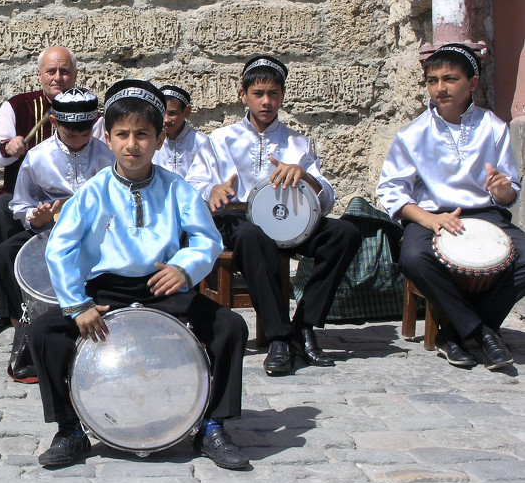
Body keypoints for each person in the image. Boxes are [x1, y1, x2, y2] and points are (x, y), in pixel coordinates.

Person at [27, 79, 250, 470]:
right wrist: (78, 304)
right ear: (108, 139)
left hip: (163, 287)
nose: (133, 144)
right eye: (123, 134)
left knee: (230, 326)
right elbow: (60, 247)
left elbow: (207, 239)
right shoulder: (92, 192)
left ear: (159, 139)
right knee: (44, 332)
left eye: (143, 134)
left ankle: (213, 425)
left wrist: (184, 267)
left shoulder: (177, 188)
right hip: (104, 291)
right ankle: (70, 430)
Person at [188, 56, 362, 376]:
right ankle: (280, 337)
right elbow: (194, 184)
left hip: (291, 217)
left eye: (273, 93)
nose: (266, 101)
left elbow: (325, 199)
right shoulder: (219, 140)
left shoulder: (298, 142)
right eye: (258, 93)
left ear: (282, 96)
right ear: (243, 95)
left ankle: (304, 325)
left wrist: (305, 176)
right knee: (254, 237)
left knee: (345, 234)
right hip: (238, 219)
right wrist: (212, 190)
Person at [376, 43, 524, 370]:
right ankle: (482, 332)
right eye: (432, 80)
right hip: (431, 216)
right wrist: (428, 219)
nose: (439, 88)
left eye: (450, 79)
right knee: (414, 257)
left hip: (486, 215)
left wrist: (501, 191)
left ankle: (454, 333)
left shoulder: (493, 127)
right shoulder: (412, 134)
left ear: (472, 83)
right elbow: (391, 190)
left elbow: (508, 192)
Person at [0, 88, 114, 333]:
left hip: (98, 232)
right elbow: (20, 204)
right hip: (50, 230)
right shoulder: (37, 156)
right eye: (70, 135)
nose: (78, 142)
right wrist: (36, 218)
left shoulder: (106, 155)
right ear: (54, 122)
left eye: (85, 135)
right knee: (2, 257)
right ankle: (22, 331)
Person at [0, 45, 77, 333]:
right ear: (40, 75)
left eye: (65, 71)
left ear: (74, 75)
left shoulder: (87, 107)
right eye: (51, 71)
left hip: (70, 199)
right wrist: (8, 148)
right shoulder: (17, 106)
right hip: (21, 195)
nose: (58, 77)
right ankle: (1, 301)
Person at [153, 83, 208, 177]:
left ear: (186, 112)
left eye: (172, 113)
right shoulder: (153, 143)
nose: (166, 120)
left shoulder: (203, 143)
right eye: (162, 113)